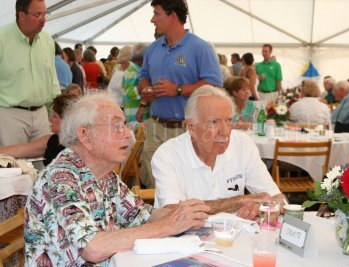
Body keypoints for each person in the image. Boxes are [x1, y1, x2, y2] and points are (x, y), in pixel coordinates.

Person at [24, 93, 210, 266]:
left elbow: (142, 215)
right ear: (85, 136)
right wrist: (168, 225)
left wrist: (186, 214)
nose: (128, 134)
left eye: (124, 125)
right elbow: (92, 248)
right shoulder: (61, 178)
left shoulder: (106, 175)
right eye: (116, 126)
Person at [152, 85, 286, 219]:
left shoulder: (243, 144)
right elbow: (173, 213)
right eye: (214, 122)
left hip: (235, 236)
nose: (225, 131)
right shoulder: (167, 155)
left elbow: (277, 197)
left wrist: (265, 207)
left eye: (228, 120)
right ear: (192, 128)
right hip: (184, 239)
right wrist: (237, 202)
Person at [138, 0, 222, 188]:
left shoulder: (200, 47)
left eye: (157, 14)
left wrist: (177, 89)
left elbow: (214, 85)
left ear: (173, 15)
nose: (152, 19)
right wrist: (145, 89)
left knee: (190, 183)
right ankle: (163, 216)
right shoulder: (152, 48)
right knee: (155, 183)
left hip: (188, 129)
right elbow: (143, 77)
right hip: (156, 127)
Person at [0, 0, 61, 147]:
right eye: (38, 14)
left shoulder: (47, 41)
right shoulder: (2, 38)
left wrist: (59, 106)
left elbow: (52, 78)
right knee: (13, 166)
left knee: (43, 166)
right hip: (9, 115)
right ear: (21, 15)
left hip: (41, 115)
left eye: (45, 14)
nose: (43, 19)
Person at [0, 94, 77, 166]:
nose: (50, 119)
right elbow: (18, 150)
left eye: (54, 116)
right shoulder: (52, 139)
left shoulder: (79, 145)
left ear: (67, 120)